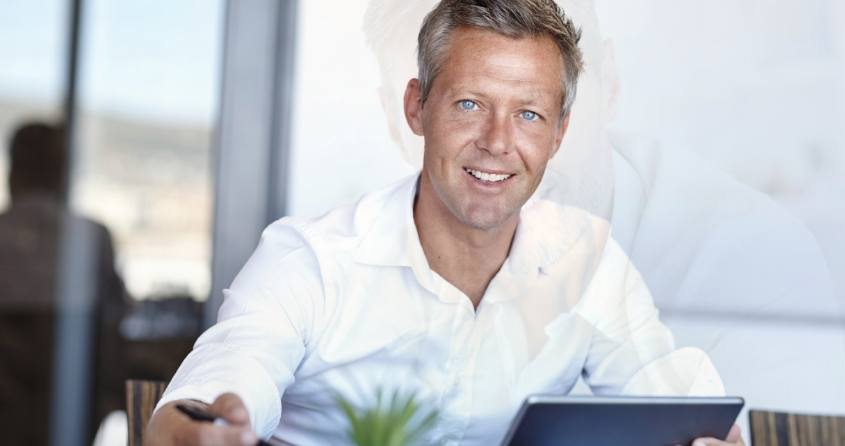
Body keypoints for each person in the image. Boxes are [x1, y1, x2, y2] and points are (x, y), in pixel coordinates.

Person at [145, 1, 742, 444]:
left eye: (529, 115)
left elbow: (679, 402)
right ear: (416, 107)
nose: (497, 143)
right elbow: (213, 390)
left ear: (559, 134)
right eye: (469, 104)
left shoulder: (587, 261)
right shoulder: (310, 260)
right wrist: (203, 429)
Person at [0, 122, 128, 445]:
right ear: (61, 172)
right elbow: (114, 321)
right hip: (69, 404)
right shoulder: (90, 237)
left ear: (14, 171)